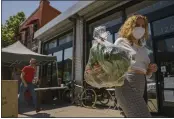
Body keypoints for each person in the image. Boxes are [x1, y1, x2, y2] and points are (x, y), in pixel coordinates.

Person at [114, 14, 158, 117]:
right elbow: (113, 64)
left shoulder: (143, 48)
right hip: (126, 84)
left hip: (141, 85)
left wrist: (150, 69)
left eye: (143, 26)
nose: (140, 28)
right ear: (130, 26)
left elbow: (147, 73)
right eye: (137, 25)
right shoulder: (121, 42)